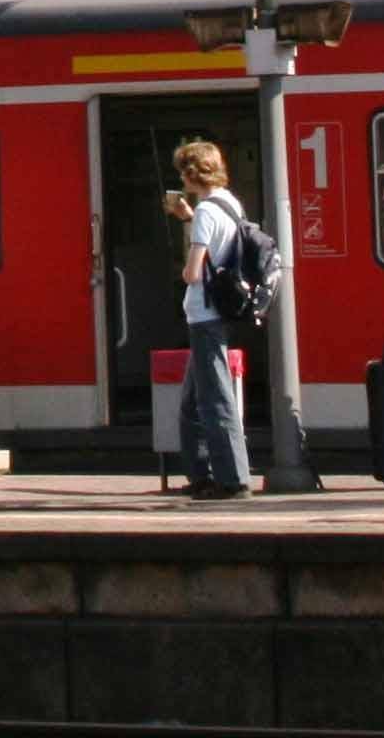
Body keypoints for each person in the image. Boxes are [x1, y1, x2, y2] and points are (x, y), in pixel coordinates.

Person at [159, 139, 252, 499]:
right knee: (193, 401)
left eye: (184, 171)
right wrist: (188, 217)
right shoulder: (229, 203)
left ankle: (232, 479)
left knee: (215, 398)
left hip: (204, 314)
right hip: (219, 312)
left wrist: (185, 263)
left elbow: (194, 271)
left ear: (193, 173)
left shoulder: (206, 212)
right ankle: (201, 474)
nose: (182, 179)